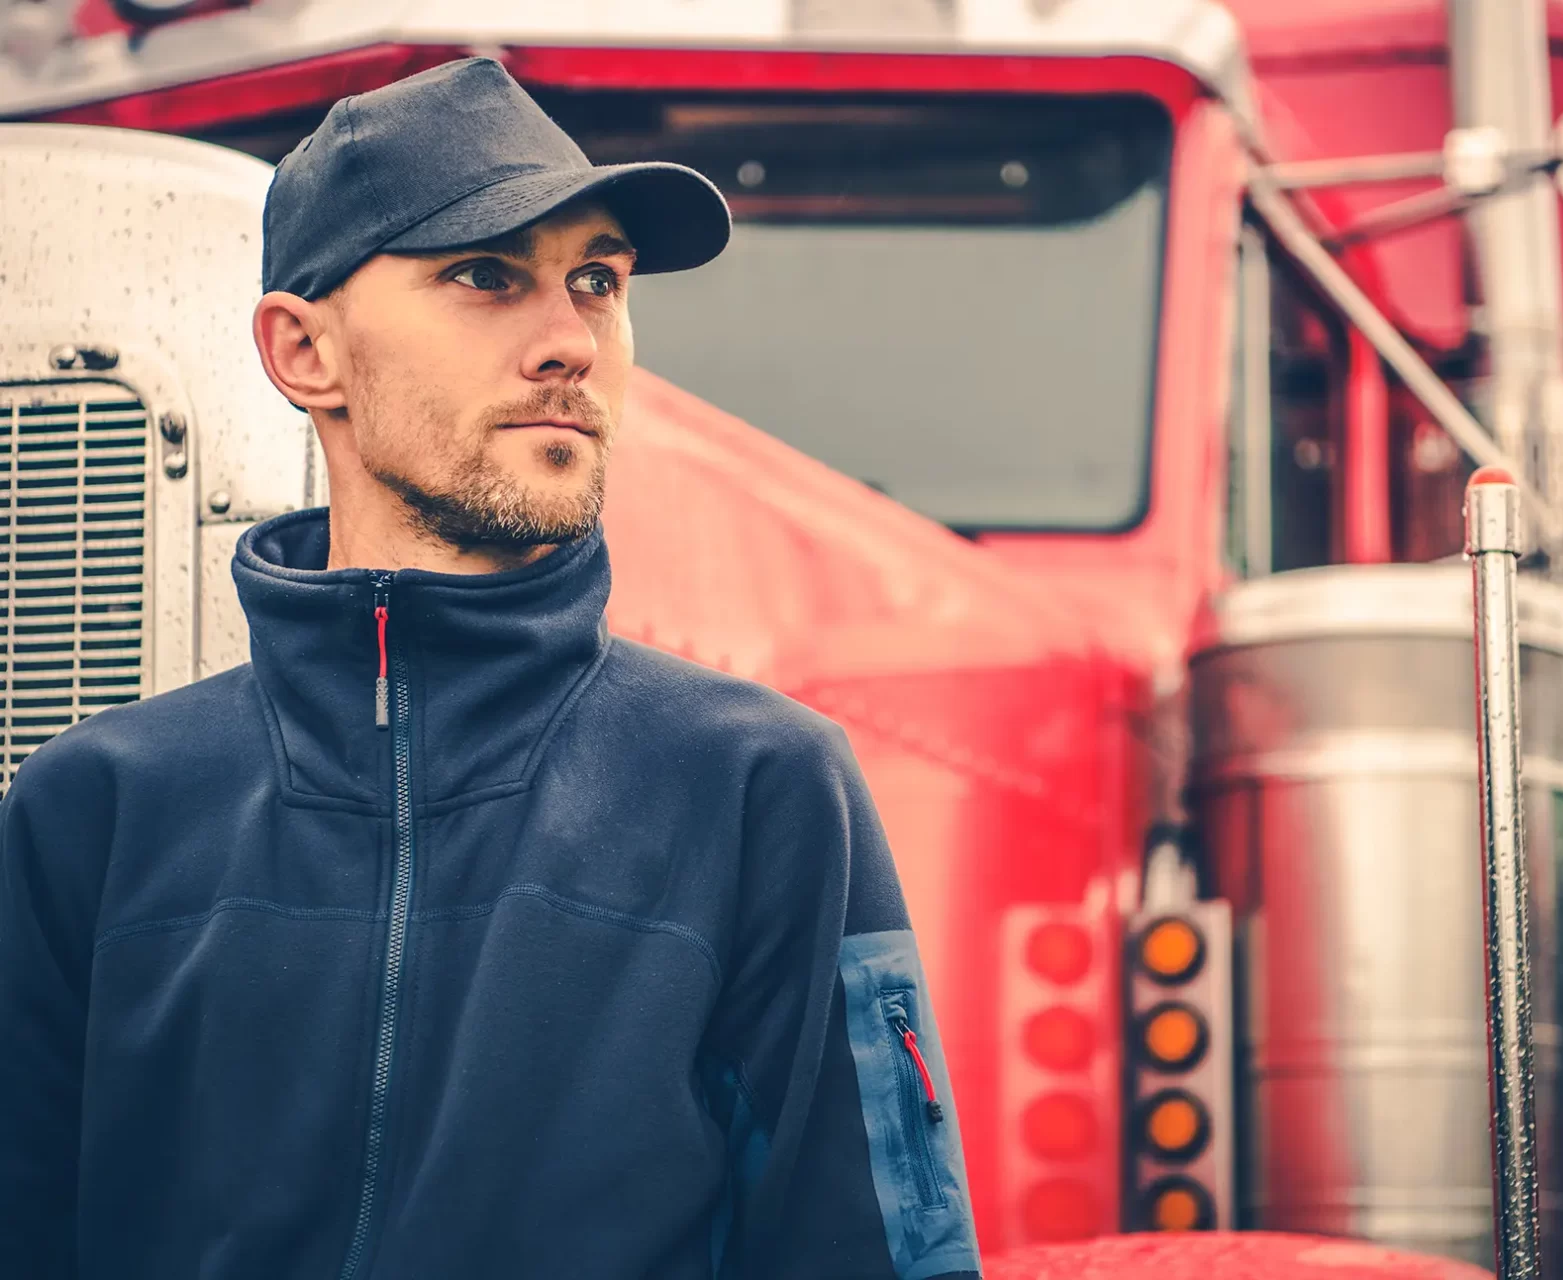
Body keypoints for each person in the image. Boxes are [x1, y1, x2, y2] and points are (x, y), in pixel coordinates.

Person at [0, 58, 981, 1280]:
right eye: (485, 275)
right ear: (306, 352)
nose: (570, 340)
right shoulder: (88, 812)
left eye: (596, 282)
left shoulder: (758, 788)